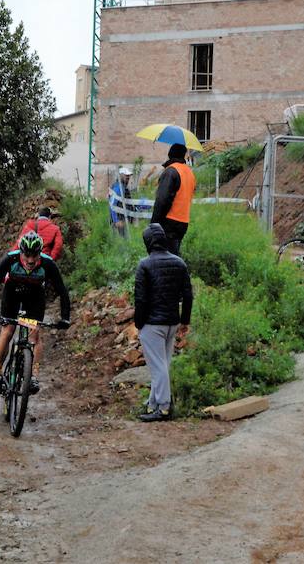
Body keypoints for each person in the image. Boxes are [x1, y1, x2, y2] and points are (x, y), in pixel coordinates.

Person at [0, 231, 71, 396]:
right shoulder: (11, 259)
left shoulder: (48, 264)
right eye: (27, 255)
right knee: (8, 330)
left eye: (34, 255)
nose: (30, 260)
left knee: (34, 334)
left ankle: (34, 377)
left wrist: (65, 317)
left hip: (35, 298)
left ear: (40, 253)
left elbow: (62, 291)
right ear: (21, 251)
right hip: (12, 295)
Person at [134, 223, 193, 422]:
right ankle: (153, 404)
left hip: (152, 324)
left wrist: (139, 324)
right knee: (163, 365)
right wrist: (185, 320)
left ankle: (165, 407)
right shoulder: (179, 263)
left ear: (148, 242)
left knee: (158, 367)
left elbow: (141, 299)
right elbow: (188, 295)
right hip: (171, 323)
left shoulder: (144, 265)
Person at [151, 143, 195, 255]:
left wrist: (154, 223)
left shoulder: (171, 171)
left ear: (170, 154)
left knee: (164, 256)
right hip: (183, 221)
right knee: (174, 255)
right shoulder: (189, 173)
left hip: (169, 221)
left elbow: (162, 200)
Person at [109, 167, 135, 237]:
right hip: (119, 221)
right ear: (121, 175)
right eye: (126, 175)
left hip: (123, 220)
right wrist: (116, 220)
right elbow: (112, 204)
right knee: (121, 242)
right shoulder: (118, 188)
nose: (128, 177)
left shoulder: (122, 187)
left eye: (128, 175)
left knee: (125, 241)